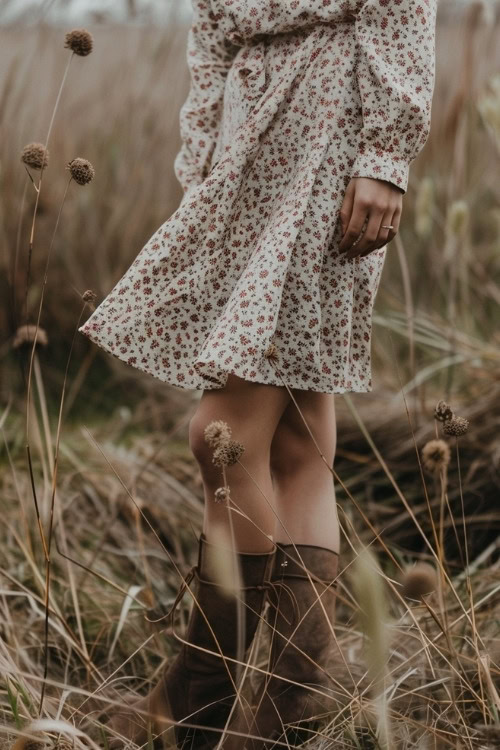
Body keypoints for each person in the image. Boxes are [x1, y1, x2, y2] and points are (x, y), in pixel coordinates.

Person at [79, 1, 437, 747]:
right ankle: (296, 685)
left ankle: (201, 695)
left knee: (222, 438)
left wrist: (384, 155)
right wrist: (205, 159)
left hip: (331, 124)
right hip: (250, 145)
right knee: (297, 441)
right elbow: (210, 29)